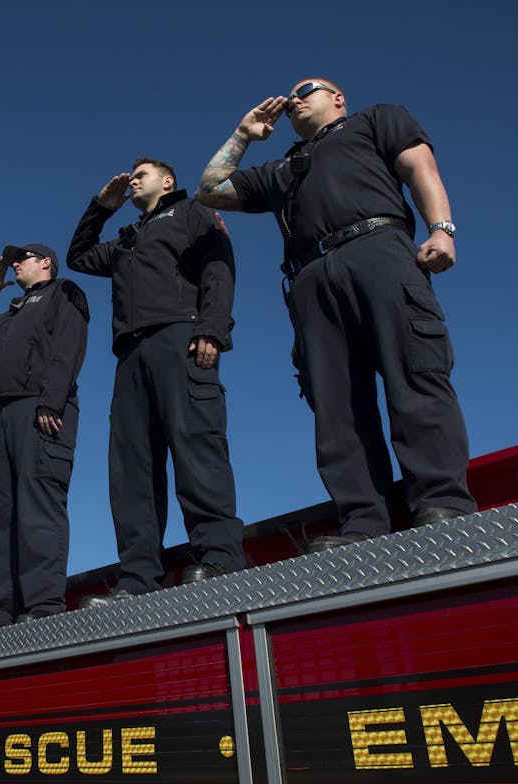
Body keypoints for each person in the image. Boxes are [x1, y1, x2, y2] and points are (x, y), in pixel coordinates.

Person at [197, 79, 476, 551]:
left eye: (308, 89)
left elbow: (419, 166)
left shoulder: (376, 119)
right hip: (310, 277)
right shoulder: (283, 169)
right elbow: (211, 189)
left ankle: (441, 502)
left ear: (338, 97)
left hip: (379, 249)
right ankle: (364, 521)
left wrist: (441, 229)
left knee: (414, 373)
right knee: (335, 404)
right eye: (290, 97)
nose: (295, 100)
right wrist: (244, 135)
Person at [67, 157, 244, 599]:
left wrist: (212, 328)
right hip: (129, 356)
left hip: (180, 338)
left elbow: (219, 267)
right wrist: (101, 206)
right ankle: (139, 576)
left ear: (168, 181)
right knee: (131, 467)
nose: (133, 179)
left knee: (196, 444)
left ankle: (220, 556)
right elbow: (78, 256)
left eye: (142, 173)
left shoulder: (192, 212)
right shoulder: (125, 240)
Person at [0, 243, 89, 629]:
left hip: (42, 409)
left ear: (46, 262)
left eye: (23, 258)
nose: (15, 264)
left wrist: (52, 400)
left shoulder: (63, 292)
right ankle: (0, 612)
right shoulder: (7, 315)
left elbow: (69, 346)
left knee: (38, 508)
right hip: (3, 416)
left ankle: (42, 606)